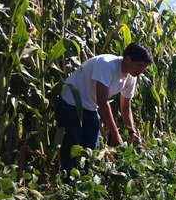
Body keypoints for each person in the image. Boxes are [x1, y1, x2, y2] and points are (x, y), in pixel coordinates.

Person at [56, 42, 153, 176]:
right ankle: (67, 183)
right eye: (140, 66)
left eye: (145, 67)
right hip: (71, 102)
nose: (142, 71)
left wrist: (132, 132)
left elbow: (125, 107)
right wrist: (115, 133)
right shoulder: (106, 64)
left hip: (90, 106)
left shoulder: (131, 77)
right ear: (128, 59)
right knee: (73, 144)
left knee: (93, 149)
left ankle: (85, 184)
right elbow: (102, 102)